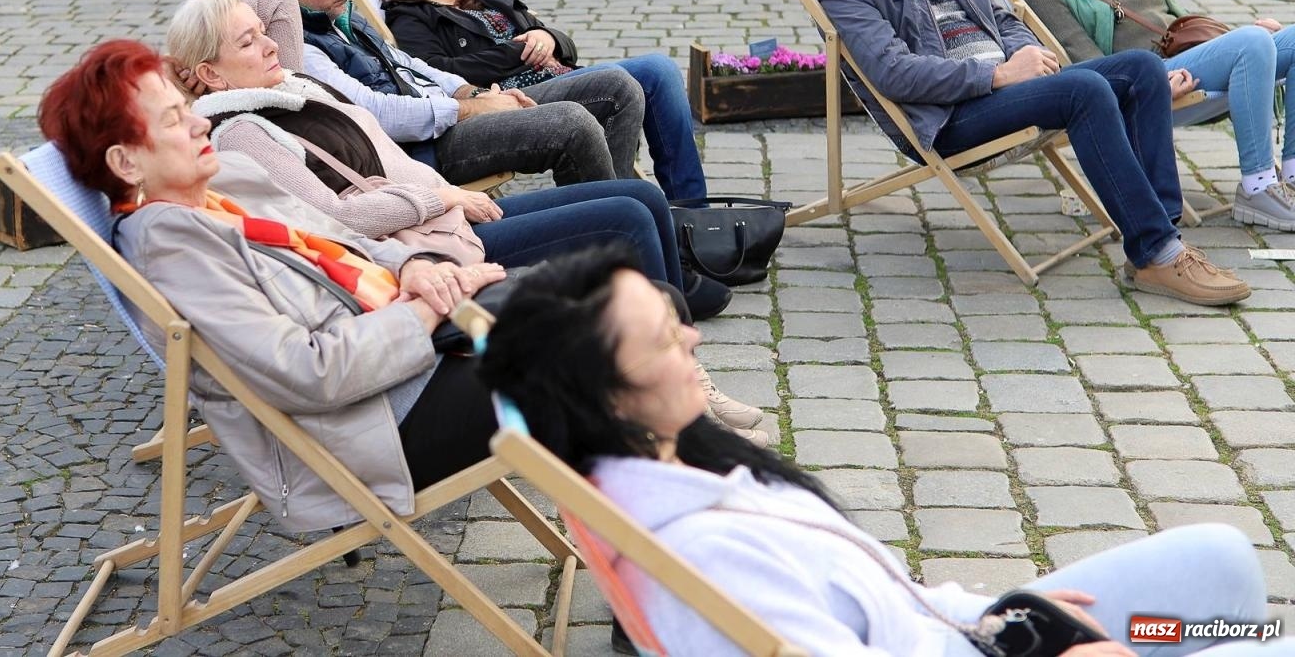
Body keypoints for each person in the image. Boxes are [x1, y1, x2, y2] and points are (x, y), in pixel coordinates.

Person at [479, 243, 1291, 657]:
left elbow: (877, 598)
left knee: (1222, 568)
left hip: (964, 634)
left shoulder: (675, 472)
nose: (692, 335)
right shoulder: (707, 552)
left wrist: (991, 614)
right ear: (608, 397)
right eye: (663, 337)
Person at [163, 0, 763, 432]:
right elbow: (334, 222)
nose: (270, 41)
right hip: (427, 254)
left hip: (447, 221)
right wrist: (439, 194)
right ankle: (675, 397)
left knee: (641, 195)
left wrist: (234, 13)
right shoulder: (241, 132)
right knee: (626, 218)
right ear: (209, 74)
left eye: (264, 32)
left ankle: (681, 364)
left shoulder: (292, 87)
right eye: (248, 40)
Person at [38, 38, 517, 528]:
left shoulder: (228, 182)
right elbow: (309, 372)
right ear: (126, 164)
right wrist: (431, 306)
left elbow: (351, 240)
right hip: (373, 431)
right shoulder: (171, 248)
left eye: (186, 108)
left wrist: (417, 267)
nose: (201, 121)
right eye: (174, 121)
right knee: (576, 350)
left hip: (422, 351)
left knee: (580, 302)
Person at [814, 0, 1249, 306]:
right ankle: (1158, 251)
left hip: (1011, 88)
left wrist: (1028, 56)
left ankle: (1162, 239)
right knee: (1086, 92)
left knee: (1142, 68)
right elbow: (895, 72)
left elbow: (1005, 19)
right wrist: (998, 75)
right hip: (951, 116)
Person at [264, 0, 650, 193]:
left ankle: (613, 214)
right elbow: (374, 114)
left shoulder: (337, 16)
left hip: (452, 112)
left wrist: (470, 92)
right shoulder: (298, 47)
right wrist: (468, 108)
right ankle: (611, 230)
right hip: (423, 148)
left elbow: (408, 62)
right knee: (570, 122)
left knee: (618, 87)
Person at [1005, 0, 1295, 233]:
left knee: (1274, 39)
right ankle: (1258, 187)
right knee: (1252, 42)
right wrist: (1148, 82)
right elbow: (1088, 63)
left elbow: (1182, 24)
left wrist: (1242, 38)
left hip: (1189, 56)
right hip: (1155, 75)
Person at [378, 0, 709, 203]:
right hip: (511, 96)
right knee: (617, 86)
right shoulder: (412, 17)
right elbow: (437, 71)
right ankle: (620, 206)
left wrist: (547, 37)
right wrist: (518, 50)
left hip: (562, 77)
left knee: (661, 69)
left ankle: (692, 210)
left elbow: (564, 46)